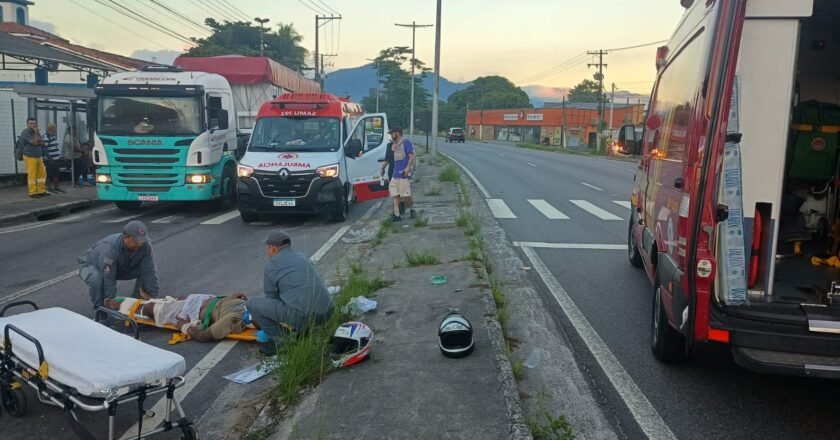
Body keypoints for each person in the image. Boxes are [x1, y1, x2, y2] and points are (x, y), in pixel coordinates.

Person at [246, 230, 334, 354]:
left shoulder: (271, 266)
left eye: (267, 249)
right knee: (297, 301)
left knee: (252, 303)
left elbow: (272, 299)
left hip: (304, 317)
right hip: (328, 311)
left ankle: (283, 341)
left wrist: (260, 320)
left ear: (272, 248)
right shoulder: (302, 257)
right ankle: (304, 330)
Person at [78, 220, 160, 311]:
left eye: (142, 240)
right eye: (136, 241)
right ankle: (101, 310)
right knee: (96, 279)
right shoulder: (110, 250)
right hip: (91, 265)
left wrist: (154, 299)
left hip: (119, 267)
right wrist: (112, 306)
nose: (140, 244)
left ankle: (136, 304)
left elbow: (150, 272)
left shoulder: (145, 246)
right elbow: (109, 279)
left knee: (145, 272)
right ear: (126, 237)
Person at [104, 293, 249, 342]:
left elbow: (204, 336)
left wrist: (185, 326)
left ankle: (124, 305)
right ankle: (152, 300)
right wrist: (231, 296)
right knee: (181, 298)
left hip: (195, 310)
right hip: (205, 299)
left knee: (152, 310)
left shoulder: (233, 317)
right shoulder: (245, 304)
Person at [387, 126, 416, 221]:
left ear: (397, 133)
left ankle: (412, 210)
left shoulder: (406, 142)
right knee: (396, 195)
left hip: (403, 174)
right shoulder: (394, 144)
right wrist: (392, 150)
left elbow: (411, 156)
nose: (391, 135)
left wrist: (407, 168)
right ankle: (396, 215)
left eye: (392, 133)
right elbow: (391, 159)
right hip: (395, 174)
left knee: (406, 195)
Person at [20, 117, 48, 198]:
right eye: (31, 123)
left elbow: (42, 142)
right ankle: (33, 192)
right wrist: (36, 134)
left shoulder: (36, 132)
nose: (33, 125)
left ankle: (41, 190)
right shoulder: (25, 132)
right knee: (32, 175)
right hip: (29, 156)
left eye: (34, 123)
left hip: (38, 156)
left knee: (42, 174)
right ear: (27, 124)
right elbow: (35, 143)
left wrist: (39, 140)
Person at [42, 123, 64, 193]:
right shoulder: (46, 137)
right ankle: (48, 187)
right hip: (50, 160)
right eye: (54, 128)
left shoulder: (53, 136)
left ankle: (56, 187)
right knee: (49, 174)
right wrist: (50, 159)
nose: (56, 129)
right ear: (50, 128)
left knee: (56, 174)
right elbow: (45, 149)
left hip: (56, 159)